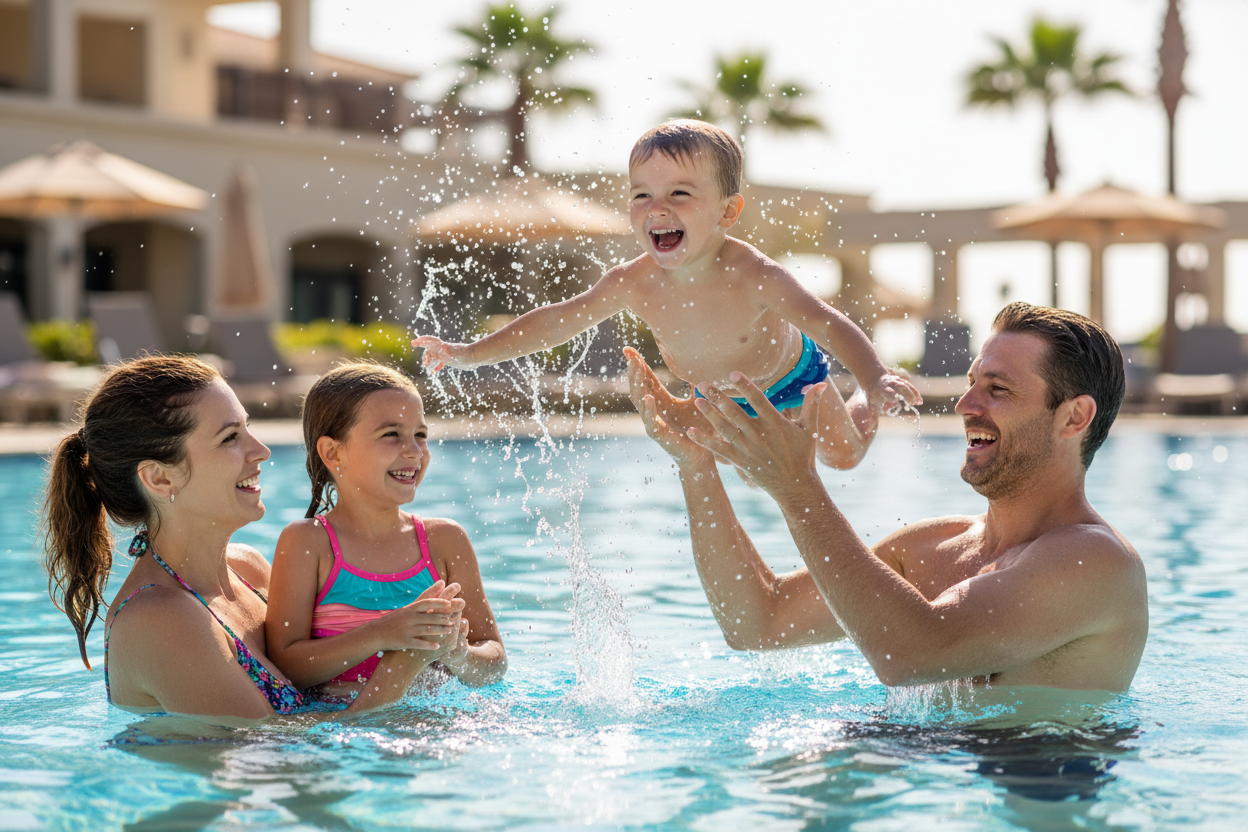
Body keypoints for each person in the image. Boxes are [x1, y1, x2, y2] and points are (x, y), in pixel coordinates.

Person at [626, 302, 1148, 692]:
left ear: (1074, 417)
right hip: (926, 772)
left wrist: (798, 486)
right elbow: (757, 621)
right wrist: (694, 461)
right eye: (971, 384)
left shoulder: (1097, 562)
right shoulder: (932, 546)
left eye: (998, 389)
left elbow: (913, 654)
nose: (966, 404)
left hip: (1041, 791)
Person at [414, 119, 921, 469]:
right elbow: (557, 320)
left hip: (794, 379)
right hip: (718, 398)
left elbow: (828, 323)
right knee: (741, 468)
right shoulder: (632, 280)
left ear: (727, 213)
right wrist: (470, 354)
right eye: (641, 195)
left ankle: (863, 405)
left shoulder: (755, 273)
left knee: (842, 456)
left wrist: (874, 377)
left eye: (680, 193)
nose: (657, 208)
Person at [41, 355, 454, 720]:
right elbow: (278, 760)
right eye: (230, 438)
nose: (260, 451)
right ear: (160, 477)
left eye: (248, 428)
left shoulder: (248, 569)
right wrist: (407, 657)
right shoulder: (157, 620)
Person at [265, 362, 506, 699]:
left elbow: (494, 660)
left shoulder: (445, 541)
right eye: (392, 434)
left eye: (420, 435)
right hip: (346, 730)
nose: (415, 451)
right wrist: (384, 633)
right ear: (333, 453)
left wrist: (459, 654)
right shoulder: (308, 543)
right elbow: (285, 669)